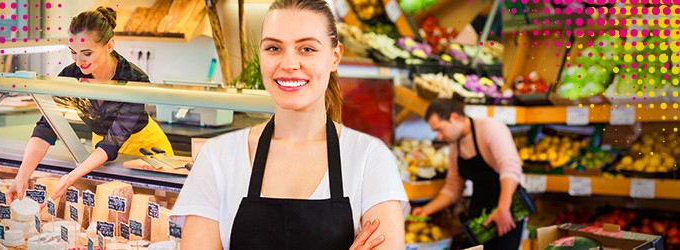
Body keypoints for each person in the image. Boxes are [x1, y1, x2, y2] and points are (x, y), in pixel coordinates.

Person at [169, 0, 407, 249]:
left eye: (307, 49)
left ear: (335, 57)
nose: (289, 64)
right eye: (273, 48)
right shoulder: (217, 158)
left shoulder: (370, 158)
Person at [7, 7, 174, 203]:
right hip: (100, 152)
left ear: (110, 45)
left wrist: (71, 176)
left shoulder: (134, 79)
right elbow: (47, 126)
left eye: (87, 53)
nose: (79, 62)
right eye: (73, 53)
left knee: (145, 210)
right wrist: (22, 176)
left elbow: (112, 142)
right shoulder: (71, 76)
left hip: (145, 152)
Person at [411, 98, 524, 249]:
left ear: (455, 118)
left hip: (508, 206)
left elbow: (510, 168)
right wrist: (426, 210)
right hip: (481, 209)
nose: (439, 137)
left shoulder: (489, 128)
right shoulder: (455, 146)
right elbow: (453, 188)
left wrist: (503, 208)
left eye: (439, 129)